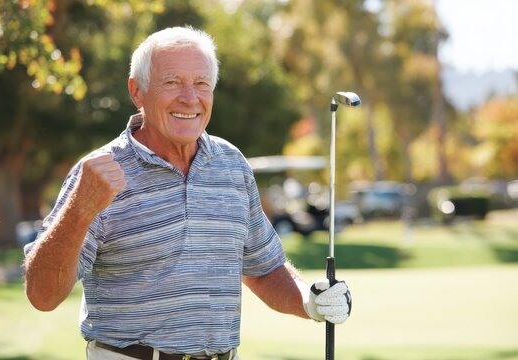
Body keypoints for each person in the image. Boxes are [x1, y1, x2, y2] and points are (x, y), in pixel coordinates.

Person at [24, 26, 352, 360]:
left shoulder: (232, 166)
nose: (189, 98)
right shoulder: (97, 174)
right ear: (137, 91)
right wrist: (80, 210)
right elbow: (42, 295)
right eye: (171, 82)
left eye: (201, 83)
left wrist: (309, 300)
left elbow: (263, 267)